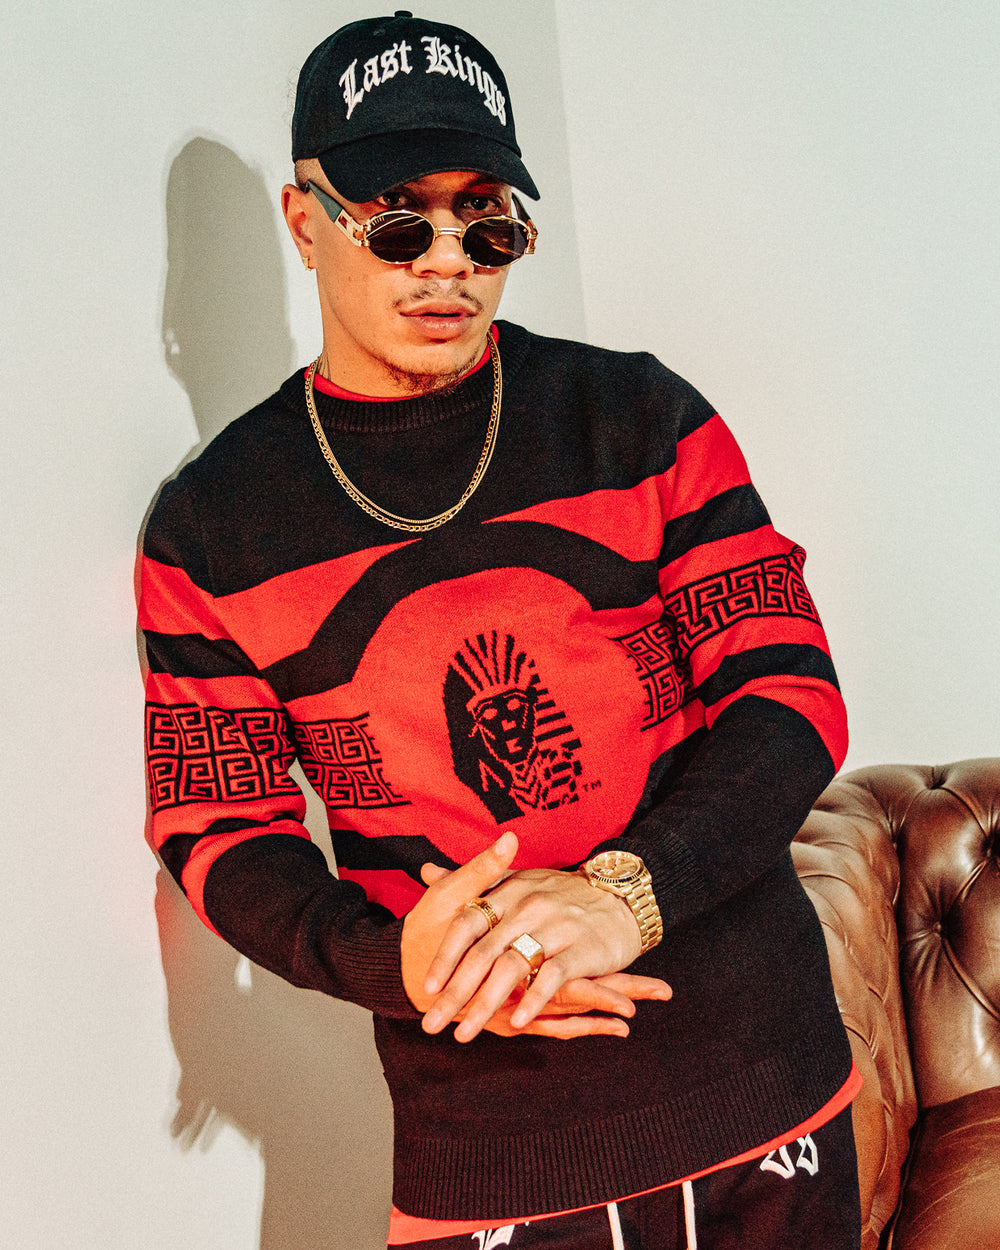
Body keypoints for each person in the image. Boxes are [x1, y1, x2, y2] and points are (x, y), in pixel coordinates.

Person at [139, 11, 862, 1248]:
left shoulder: (636, 415)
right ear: (305, 221)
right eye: (399, 221)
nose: (448, 265)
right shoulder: (212, 527)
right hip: (487, 1138)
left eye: (487, 224)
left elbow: (788, 692)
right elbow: (215, 822)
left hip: (761, 1086)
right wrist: (388, 960)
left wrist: (626, 894)